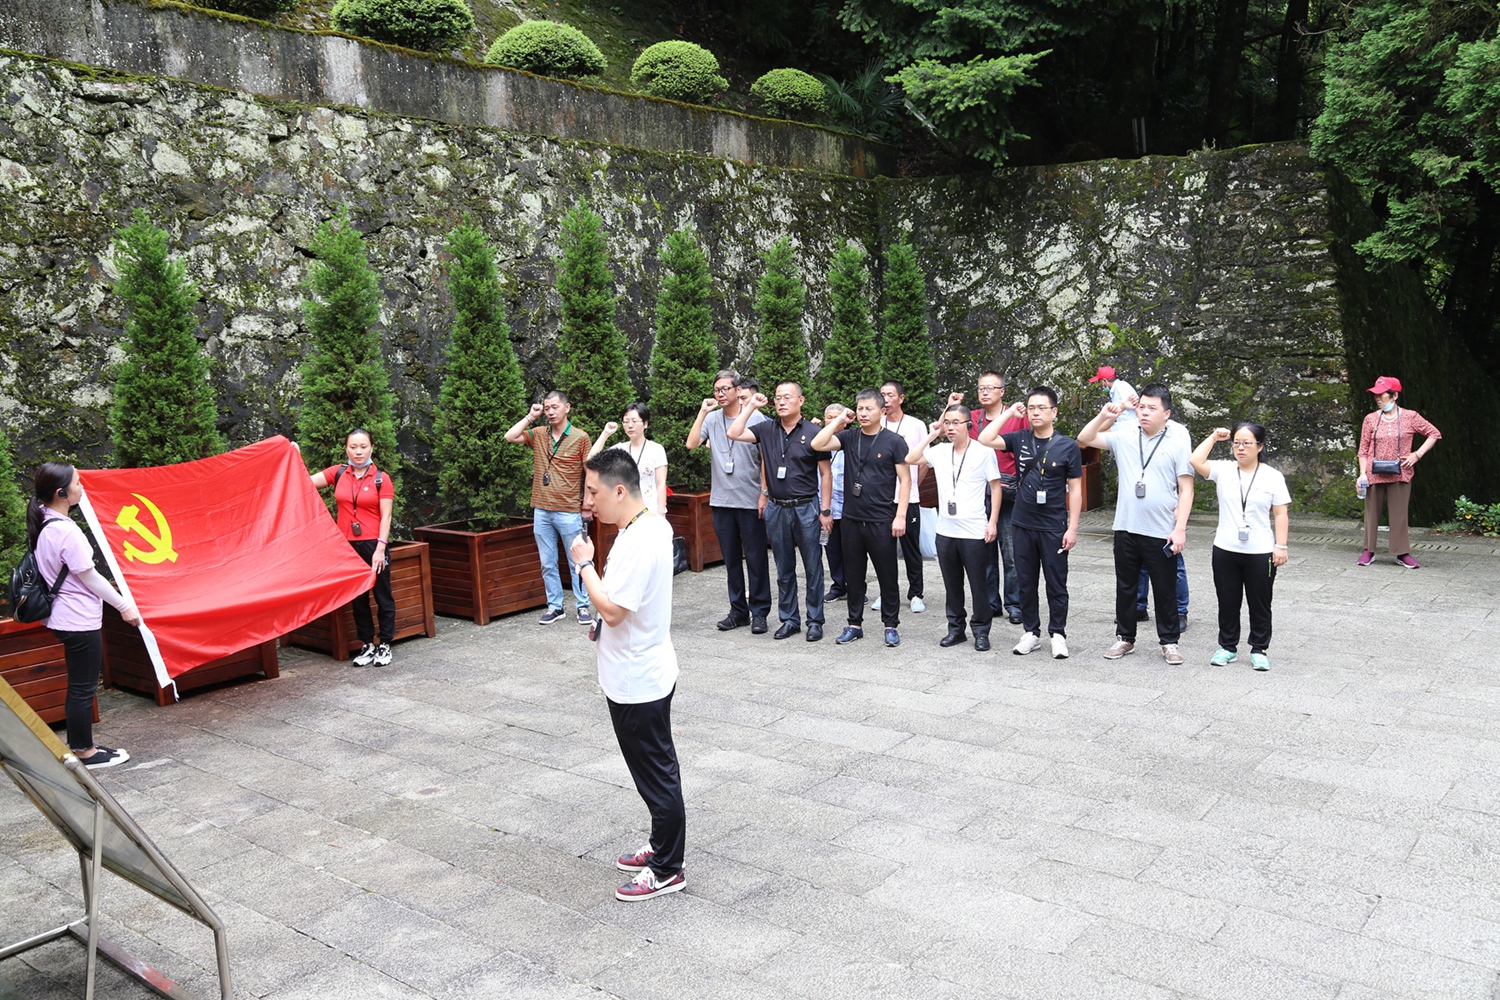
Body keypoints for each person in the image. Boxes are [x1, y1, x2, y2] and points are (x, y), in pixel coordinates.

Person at [569, 448, 685, 902]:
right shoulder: (646, 525)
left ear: (620, 491)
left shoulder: (639, 539)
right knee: (652, 770)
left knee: (656, 774)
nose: (588, 502)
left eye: (593, 492)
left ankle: (667, 868)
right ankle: (661, 844)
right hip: (639, 668)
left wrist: (584, 564)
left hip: (639, 678)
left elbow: (615, 610)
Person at [29, 462, 140, 767]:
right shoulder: (65, 530)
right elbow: (89, 576)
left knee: (80, 685)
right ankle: (84, 752)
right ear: (61, 493)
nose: (82, 487)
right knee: (82, 688)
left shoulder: (46, 522)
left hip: (65, 616)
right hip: (77, 618)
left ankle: (83, 745)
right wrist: (124, 606)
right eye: (77, 483)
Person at [1077, 382, 1194, 665]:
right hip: (1126, 526)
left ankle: (1169, 642)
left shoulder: (1178, 438)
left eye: (1152, 408)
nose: (1144, 412)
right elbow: (1084, 438)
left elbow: (1186, 487)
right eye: (1141, 407)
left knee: (1164, 588)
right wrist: (1105, 415)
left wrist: (1180, 528)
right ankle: (1125, 637)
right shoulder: (1126, 434)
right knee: (1126, 586)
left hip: (1161, 529)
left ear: (1167, 413)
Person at [978, 388, 1083, 658]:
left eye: (1041, 408)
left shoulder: (1067, 445)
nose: (1036, 412)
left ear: (1054, 412)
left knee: (1056, 583)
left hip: (1053, 525)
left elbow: (1075, 489)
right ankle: (1031, 632)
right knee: (1025, 581)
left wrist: (1072, 527)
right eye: (1031, 407)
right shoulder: (1020, 438)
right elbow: (985, 438)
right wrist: (1009, 414)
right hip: (1022, 523)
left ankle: (1057, 633)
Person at [728, 382, 832, 641]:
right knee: (783, 568)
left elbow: (825, 474)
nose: (781, 402)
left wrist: (825, 510)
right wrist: (751, 406)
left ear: (801, 400)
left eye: (787, 397)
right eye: (777, 398)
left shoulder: (815, 433)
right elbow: (734, 432)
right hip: (776, 507)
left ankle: (815, 620)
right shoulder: (766, 429)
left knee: (813, 567)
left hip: (806, 507)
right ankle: (789, 619)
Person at [811, 390, 910, 647]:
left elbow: (906, 480)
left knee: (887, 576)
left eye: (869, 409)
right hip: (852, 520)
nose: (864, 413)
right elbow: (818, 444)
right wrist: (839, 420)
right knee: (854, 577)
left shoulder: (894, 441)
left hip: (881, 520)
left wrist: (900, 516)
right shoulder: (849, 436)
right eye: (860, 409)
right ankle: (854, 624)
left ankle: (890, 625)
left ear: (882, 411)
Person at [1190, 423, 1291, 671]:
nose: (1241, 448)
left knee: (1260, 602)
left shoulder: (1272, 476)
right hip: (1225, 547)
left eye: (1247, 443)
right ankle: (1227, 647)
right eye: (1236, 443)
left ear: (1260, 446)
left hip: (1260, 550)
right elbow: (1195, 460)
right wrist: (1214, 437)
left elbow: (1280, 513)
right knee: (1227, 600)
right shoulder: (1224, 470)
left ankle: (1259, 648)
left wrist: (1281, 546)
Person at [907, 404, 1000, 650]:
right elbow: (910, 458)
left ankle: (981, 631)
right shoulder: (939, 451)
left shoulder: (983, 452)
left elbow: (995, 487)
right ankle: (956, 629)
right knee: (952, 584)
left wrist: (992, 522)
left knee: (979, 584)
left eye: (956, 422)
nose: (950, 427)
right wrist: (931, 435)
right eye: (947, 422)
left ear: (968, 424)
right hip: (945, 531)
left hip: (974, 530)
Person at [686, 370, 771, 633]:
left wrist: (764, 492)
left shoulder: (756, 418)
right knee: (731, 560)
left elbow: (765, 458)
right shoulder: (712, 419)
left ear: (738, 390)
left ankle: (760, 613)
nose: (720, 394)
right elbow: (691, 444)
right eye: (716, 390)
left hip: (750, 499)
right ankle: (738, 611)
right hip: (722, 500)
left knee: (756, 559)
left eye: (725, 389)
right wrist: (702, 412)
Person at [308, 429, 397, 666]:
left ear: (371, 448)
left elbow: (386, 516)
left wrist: (380, 549)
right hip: (347, 546)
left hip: (374, 544)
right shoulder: (338, 473)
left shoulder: (381, 478)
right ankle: (367, 644)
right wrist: (292, 455)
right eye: (353, 447)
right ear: (346, 448)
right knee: (358, 597)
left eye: (363, 447)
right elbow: (305, 483)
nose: (358, 452)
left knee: (382, 594)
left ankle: (385, 644)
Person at [505, 390, 593, 626]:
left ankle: (583, 605)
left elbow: (590, 472)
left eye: (555, 407)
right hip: (542, 509)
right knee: (547, 562)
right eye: (547, 408)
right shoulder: (539, 433)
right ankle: (555, 606)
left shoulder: (580, 437)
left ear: (567, 407)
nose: (550, 412)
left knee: (578, 560)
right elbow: (510, 436)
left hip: (569, 510)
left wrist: (587, 503)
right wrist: (531, 417)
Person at [1357, 376, 1441, 568]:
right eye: (1375, 395)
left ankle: (1402, 553)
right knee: (1371, 513)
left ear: (1394, 395)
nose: (1377, 398)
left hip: (1401, 472)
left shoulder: (1410, 417)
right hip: (1373, 473)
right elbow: (1363, 450)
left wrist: (1417, 455)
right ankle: (1368, 551)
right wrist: (1362, 474)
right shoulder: (1370, 419)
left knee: (1399, 515)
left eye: (1382, 395)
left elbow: (1434, 433)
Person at [967, 373, 1026, 624]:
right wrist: (950, 406)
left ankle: (1015, 604)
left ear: (1002, 391)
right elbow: (949, 431)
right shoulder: (971, 417)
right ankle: (991, 603)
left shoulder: (1017, 416)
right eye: (981, 388)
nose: (984, 392)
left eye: (990, 388)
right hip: (978, 492)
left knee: (1011, 553)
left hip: (1009, 492)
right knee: (985, 553)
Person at [876, 381, 927, 614]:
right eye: (882, 394)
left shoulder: (916, 425)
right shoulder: (877, 423)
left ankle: (916, 593)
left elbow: (924, 461)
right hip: (881, 499)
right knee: (882, 548)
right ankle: (886, 592)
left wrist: (913, 485)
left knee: (911, 548)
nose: (886, 399)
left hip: (909, 497)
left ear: (901, 398)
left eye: (890, 394)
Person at [589, 403, 668, 515]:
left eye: (634, 421)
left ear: (645, 424)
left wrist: (661, 513)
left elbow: (661, 484)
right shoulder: (620, 449)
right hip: (626, 512)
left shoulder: (656, 449)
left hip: (651, 509)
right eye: (626, 422)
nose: (630, 426)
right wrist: (605, 434)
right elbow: (591, 459)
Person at [821, 402, 850, 602]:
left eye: (837, 417)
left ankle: (857, 587)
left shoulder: (852, 441)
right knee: (831, 549)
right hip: (827, 506)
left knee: (853, 551)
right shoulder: (819, 442)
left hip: (849, 506)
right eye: (829, 417)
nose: (833, 421)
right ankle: (839, 586)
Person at [1089, 365, 1138, 432]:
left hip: (1130, 424)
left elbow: (1136, 404)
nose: (1100, 384)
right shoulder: (1114, 390)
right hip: (1123, 424)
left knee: (1098, 433)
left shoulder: (1121, 386)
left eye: (1100, 381)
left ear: (1104, 380)